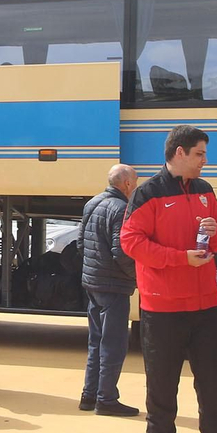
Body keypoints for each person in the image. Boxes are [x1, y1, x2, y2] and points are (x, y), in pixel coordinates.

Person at [119, 125, 217, 433]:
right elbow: (131, 242)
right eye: (200, 153)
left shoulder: (205, 191)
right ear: (180, 152)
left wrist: (216, 235)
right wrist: (180, 259)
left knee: (211, 383)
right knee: (162, 384)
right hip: (163, 308)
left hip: (205, 305)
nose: (205, 161)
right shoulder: (148, 193)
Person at [78, 164, 139, 417]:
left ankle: (89, 395)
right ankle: (106, 399)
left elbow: (80, 243)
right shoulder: (121, 209)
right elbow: (121, 252)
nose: (136, 187)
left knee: (96, 341)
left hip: (93, 283)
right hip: (113, 285)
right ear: (126, 184)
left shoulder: (92, 203)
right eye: (135, 181)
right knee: (113, 344)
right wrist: (138, 276)